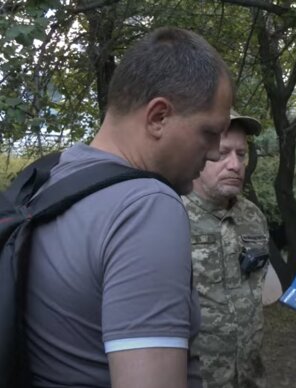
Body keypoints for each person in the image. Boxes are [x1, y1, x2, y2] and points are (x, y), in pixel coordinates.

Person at [25, 27, 232, 388]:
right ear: (158, 117)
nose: (215, 151)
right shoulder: (146, 208)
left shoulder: (49, 178)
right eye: (209, 132)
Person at [183, 109, 270, 388]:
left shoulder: (253, 217)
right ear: (199, 154)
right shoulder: (170, 214)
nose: (235, 165)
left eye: (241, 154)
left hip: (249, 377)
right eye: (223, 153)